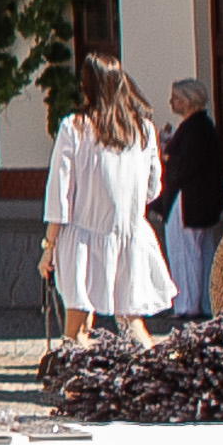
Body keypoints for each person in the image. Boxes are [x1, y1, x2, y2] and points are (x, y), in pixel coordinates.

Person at [44, 54, 176, 346]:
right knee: (134, 327)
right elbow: (153, 189)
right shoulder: (143, 130)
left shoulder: (74, 128)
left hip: (82, 239)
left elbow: (59, 195)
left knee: (76, 329)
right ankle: (152, 381)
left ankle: (79, 389)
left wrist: (48, 246)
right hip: (130, 235)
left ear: (86, 85)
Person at [159, 80, 223, 321]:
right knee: (203, 251)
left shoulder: (194, 129)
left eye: (176, 98)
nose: (171, 102)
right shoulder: (202, 127)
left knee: (186, 251)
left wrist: (167, 156)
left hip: (188, 200)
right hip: (202, 200)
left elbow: (184, 165)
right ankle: (204, 302)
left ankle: (188, 304)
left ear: (187, 100)